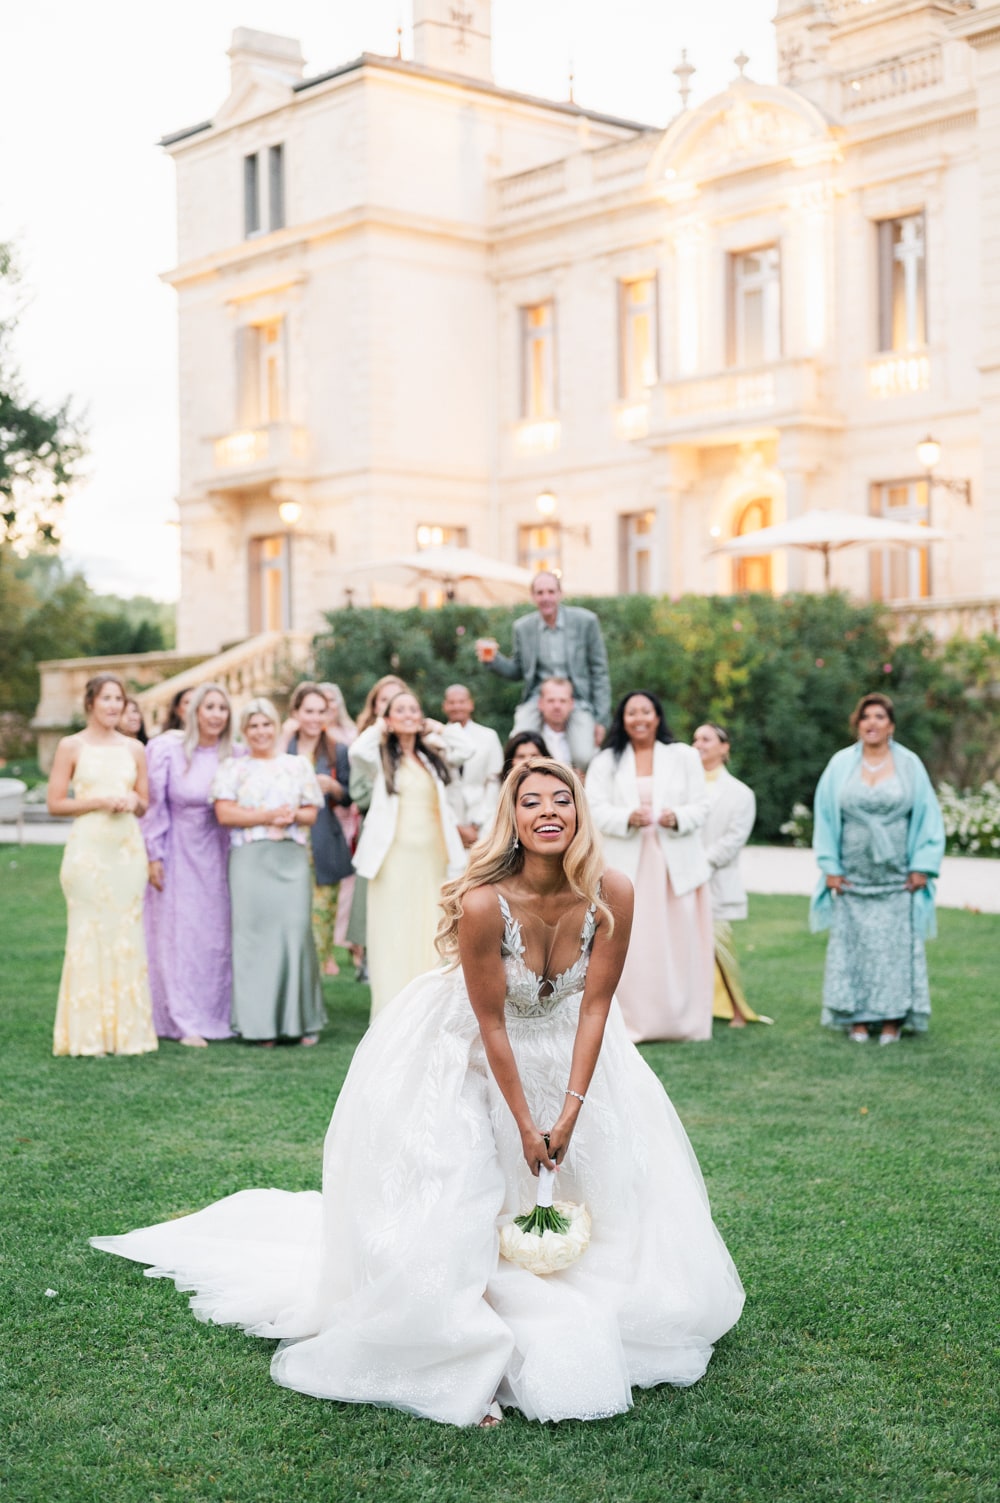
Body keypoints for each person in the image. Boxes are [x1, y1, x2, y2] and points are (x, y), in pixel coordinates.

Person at [91, 759, 744, 1427]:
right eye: (531, 802)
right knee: (462, 1183)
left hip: (571, 1050)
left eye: (561, 800)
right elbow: (491, 1020)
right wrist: (525, 1121)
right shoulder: (485, 900)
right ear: (512, 819)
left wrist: (570, 1109)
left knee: (607, 1183)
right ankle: (463, 1332)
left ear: (579, 814)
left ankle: (577, 1277)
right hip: (463, 1050)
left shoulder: (615, 892)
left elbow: (597, 1007)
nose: (548, 811)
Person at [811, 692, 945, 1044]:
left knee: (894, 947)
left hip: (898, 878)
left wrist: (923, 865)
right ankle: (855, 1017)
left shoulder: (909, 764)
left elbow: (929, 815)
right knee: (853, 944)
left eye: (880, 717)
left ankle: (891, 1018)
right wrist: (830, 866)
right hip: (852, 877)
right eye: (866, 717)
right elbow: (825, 817)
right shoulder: (840, 764)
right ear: (858, 724)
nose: (872, 723)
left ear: (891, 726)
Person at [587, 691, 714, 1043]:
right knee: (635, 941)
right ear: (622, 719)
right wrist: (626, 817)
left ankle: (682, 1022)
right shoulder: (607, 761)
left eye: (646, 711)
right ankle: (630, 1022)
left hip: (675, 866)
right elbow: (593, 808)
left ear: (657, 716)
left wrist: (678, 817)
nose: (639, 718)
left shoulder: (684, 756)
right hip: (630, 864)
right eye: (631, 712)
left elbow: (702, 805)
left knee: (678, 942)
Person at [47, 673, 157, 1057]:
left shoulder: (134, 749)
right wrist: (98, 801)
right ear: (90, 703)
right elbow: (55, 803)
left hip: (127, 850)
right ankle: (86, 1035)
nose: (114, 706)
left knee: (126, 933)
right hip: (89, 852)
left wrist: (131, 801)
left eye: (119, 699)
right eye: (107, 698)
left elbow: (146, 801)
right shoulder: (70, 746)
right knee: (88, 933)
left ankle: (129, 1034)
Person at [211, 698, 326, 1047]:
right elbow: (225, 814)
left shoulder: (296, 766)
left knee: (295, 933)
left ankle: (302, 1020)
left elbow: (311, 812)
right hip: (249, 861)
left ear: (276, 728)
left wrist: (290, 815)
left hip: (290, 860)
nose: (261, 732)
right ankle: (261, 1025)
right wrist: (265, 816)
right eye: (253, 726)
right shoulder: (232, 768)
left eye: (266, 725)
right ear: (244, 732)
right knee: (254, 939)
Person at [349, 690, 470, 1018]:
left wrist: (438, 728)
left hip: (432, 856)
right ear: (388, 717)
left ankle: (427, 1011)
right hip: (393, 860)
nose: (408, 714)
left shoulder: (433, 753)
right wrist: (381, 727)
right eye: (399, 710)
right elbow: (356, 752)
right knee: (393, 932)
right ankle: (391, 1012)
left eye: (413, 708)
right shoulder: (379, 753)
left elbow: (467, 749)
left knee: (430, 927)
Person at [142, 683, 241, 1046]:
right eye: (209, 706)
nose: (216, 714)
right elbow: (154, 807)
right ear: (195, 710)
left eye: (222, 708)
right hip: (178, 853)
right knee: (179, 935)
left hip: (223, 854)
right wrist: (153, 854)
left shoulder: (237, 755)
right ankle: (182, 1019)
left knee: (216, 937)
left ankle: (218, 1012)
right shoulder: (167, 750)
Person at [476, 572, 610, 769]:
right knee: (518, 746)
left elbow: (600, 672)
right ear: (533, 597)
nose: (546, 597)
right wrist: (493, 660)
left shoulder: (585, 622)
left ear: (560, 594)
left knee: (584, 756)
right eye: (540, 593)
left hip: (577, 699)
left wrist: (601, 720)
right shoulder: (523, 627)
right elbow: (517, 670)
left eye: (550, 592)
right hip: (537, 698)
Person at [693, 722, 769, 1028]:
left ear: (724, 747)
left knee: (719, 943)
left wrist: (699, 863)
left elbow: (734, 839)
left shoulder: (741, 794)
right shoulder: (681, 788)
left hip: (716, 880)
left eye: (706, 739)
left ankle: (737, 1008)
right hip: (678, 881)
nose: (698, 744)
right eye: (695, 738)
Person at [285, 682, 354, 977]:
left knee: (320, 922)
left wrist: (334, 787)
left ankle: (313, 987)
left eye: (320, 712)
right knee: (290, 919)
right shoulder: (283, 748)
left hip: (324, 843)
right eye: (308, 711)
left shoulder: (337, 750)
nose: (314, 718)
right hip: (287, 843)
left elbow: (350, 796)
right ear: (296, 713)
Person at [344, 675, 410, 978]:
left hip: (414, 840)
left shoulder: (418, 746)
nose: (393, 705)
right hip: (381, 838)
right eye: (385, 700)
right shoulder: (367, 744)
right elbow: (359, 793)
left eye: (399, 698)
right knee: (380, 917)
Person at [442, 683, 504, 848]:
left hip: (483, 816)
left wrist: (477, 823)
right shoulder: (436, 738)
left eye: (461, 701)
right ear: (445, 706)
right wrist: (456, 826)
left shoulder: (489, 736)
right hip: (447, 820)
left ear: (471, 704)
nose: (457, 706)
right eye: (452, 702)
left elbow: (494, 781)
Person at [535, 676, 577, 769]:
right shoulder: (531, 736)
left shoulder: (585, 739)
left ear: (571, 704)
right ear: (540, 703)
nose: (557, 706)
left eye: (563, 701)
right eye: (551, 700)